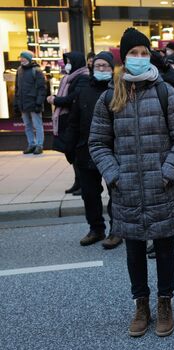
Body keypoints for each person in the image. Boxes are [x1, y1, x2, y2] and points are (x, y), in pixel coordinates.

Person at [89, 28, 174, 337]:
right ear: (124, 57)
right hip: (127, 189)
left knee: (164, 249)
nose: (138, 58)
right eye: (132, 53)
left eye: (143, 52)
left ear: (150, 56)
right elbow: (97, 143)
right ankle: (141, 304)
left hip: (162, 188)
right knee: (134, 251)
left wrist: (167, 173)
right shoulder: (110, 95)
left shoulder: (165, 92)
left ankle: (165, 304)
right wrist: (115, 175)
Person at [64, 51, 120, 249]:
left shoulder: (119, 90)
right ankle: (96, 228)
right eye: (98, 66)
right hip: (85, 150)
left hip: (112, 152)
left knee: (116, 194)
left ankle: (116, 230)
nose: (102, 69)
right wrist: (68, 147)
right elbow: (74, 120)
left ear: (112, 69)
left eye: (105, 66)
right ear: (92, 68)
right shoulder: (83, 90)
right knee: (89, 193)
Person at [48, 52, 89, 196]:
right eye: (67, 61)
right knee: (71, 153)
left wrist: (55, 100)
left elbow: (74, 97)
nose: (68, 64)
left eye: (70, 61)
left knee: (76, 154)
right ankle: (78, 182)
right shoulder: (70, 77)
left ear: (77, 62)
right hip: (68, 120)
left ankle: (82, 184)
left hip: (75, 121)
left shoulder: (83, 77)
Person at [14, 51, 46, 155]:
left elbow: (42, 89)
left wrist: (38, 103)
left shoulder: (36, 70)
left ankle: (39, 145)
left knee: (37, 125)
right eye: (21, 58)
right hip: (23, 103)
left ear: (28, 59)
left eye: (23, 58)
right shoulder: (19, 70)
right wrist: (16, 103)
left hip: (33, 102)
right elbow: (17, 88)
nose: (21, 60)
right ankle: (31, 144)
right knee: (27, 125)